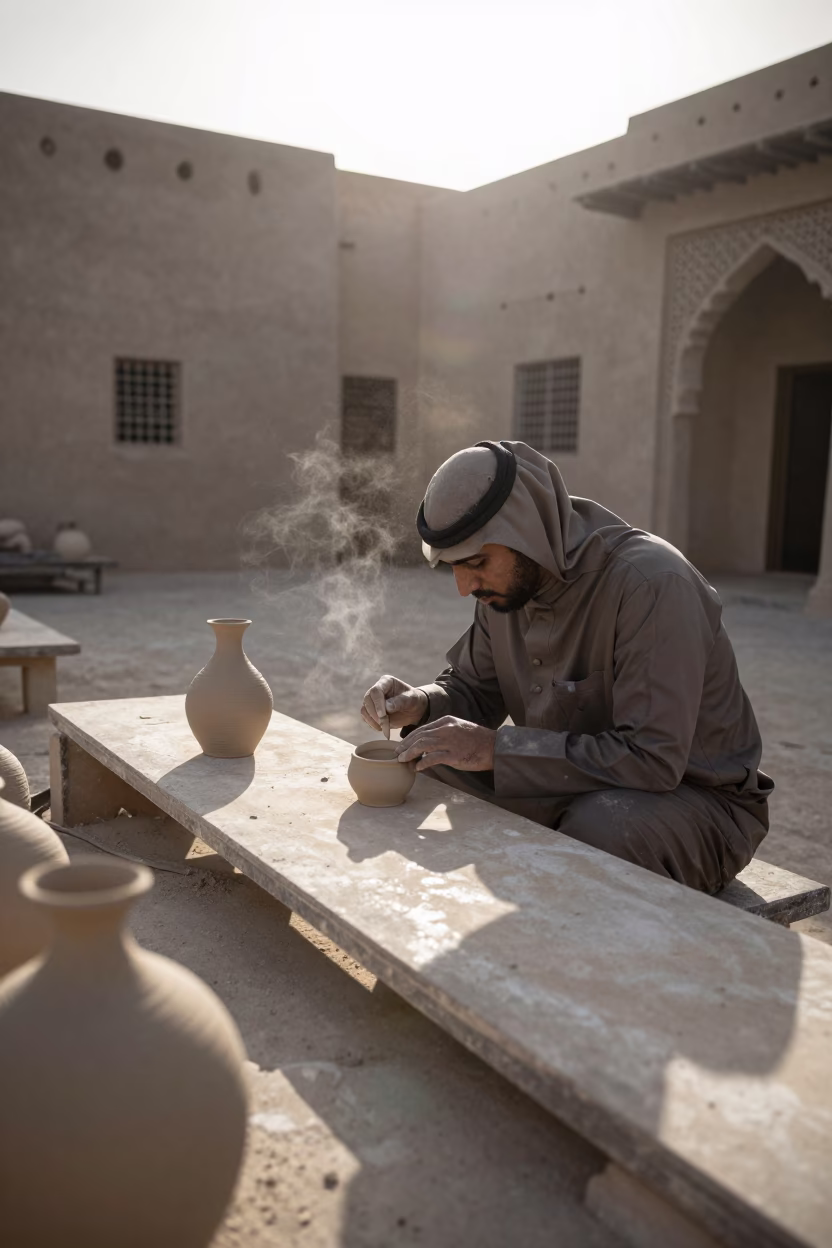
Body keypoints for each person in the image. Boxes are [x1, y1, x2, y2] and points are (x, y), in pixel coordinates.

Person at [361, 440, 773, 892]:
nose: (465, 587)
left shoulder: (651, 585)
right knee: (428, 755)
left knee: (600, 830)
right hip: (570, 782)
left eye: (476, 563)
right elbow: (474, 690)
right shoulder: (504, 590)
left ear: (527, 532)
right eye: (454, 568)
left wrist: (495, 751)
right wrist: (421, 703)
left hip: (690, 802)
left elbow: (652, 760)